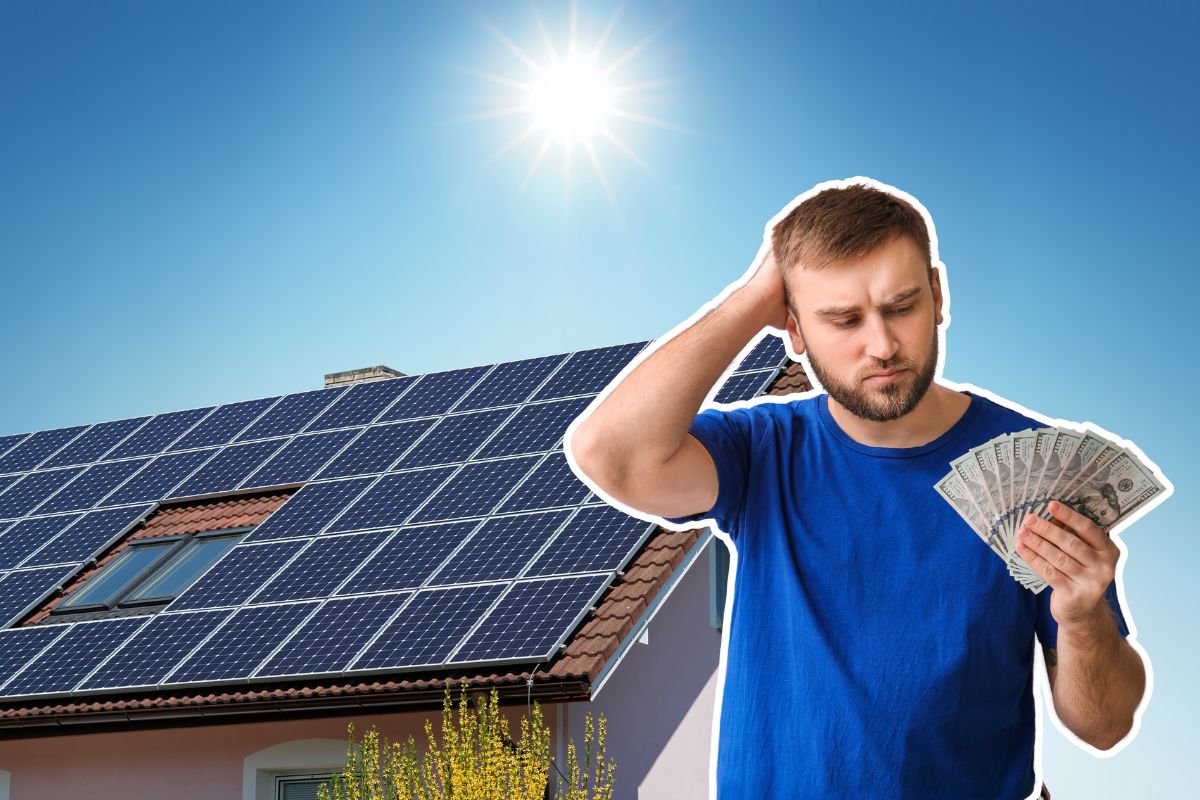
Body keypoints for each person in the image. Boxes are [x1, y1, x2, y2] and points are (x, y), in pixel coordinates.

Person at [567, 178, 1147, 799]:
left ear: (939, 295)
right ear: (792, 328)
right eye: (843, 319)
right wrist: (750, 299)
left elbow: (1104, 726)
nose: (882, 345)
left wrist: (1083, 619)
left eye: (902, 306)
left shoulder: (1036, 472)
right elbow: (610, 455)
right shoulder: (763, 451)